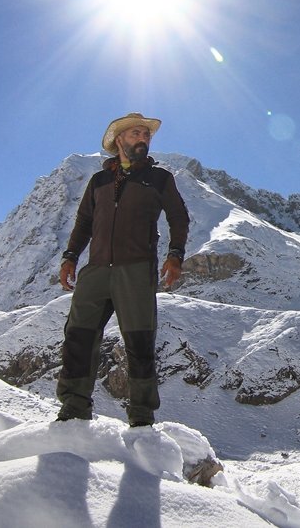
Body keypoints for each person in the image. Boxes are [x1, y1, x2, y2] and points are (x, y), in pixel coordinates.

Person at [55, 112, 189, 426]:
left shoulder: (159, 178)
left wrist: (175, 255)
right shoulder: (99, 181)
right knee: (78, 337)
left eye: (147, 135)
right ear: (120, 140)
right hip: (96, 270)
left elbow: (178, 218)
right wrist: (70, 256)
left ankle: (141, 416)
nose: (143, 139)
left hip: (136, 270)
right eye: (136, 134)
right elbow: (84, 223)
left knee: (139, 343)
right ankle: (74, 408)